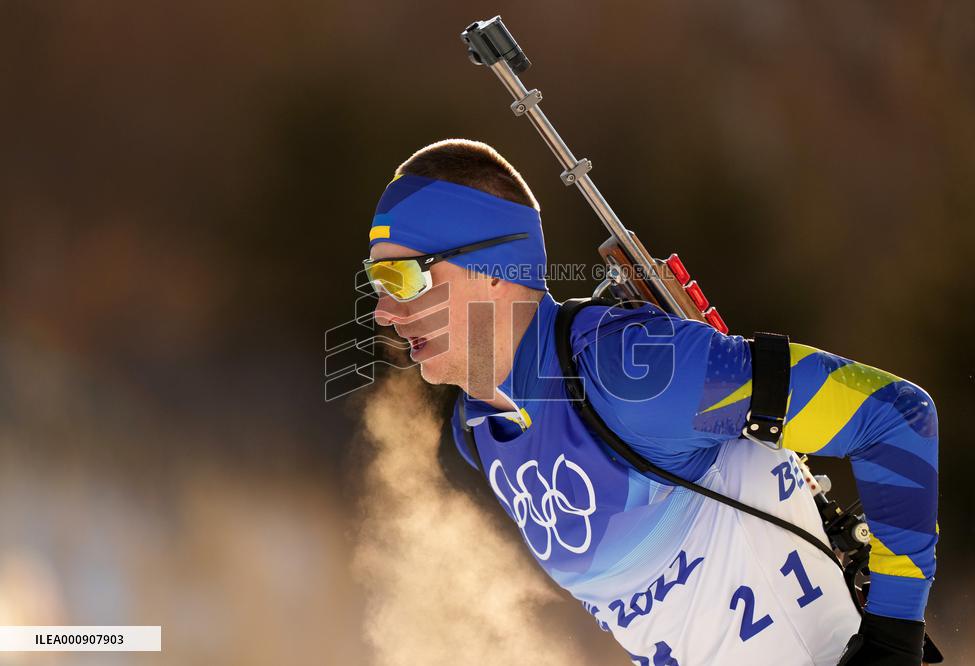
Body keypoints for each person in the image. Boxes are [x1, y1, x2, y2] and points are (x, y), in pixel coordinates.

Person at [363, 138, 938, 666]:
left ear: (490, 269)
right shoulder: (480, 435)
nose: (383, 311)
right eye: (376, 280)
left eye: (404, 277)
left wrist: (893, 636)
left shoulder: (632, 371)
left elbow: (896, 417)